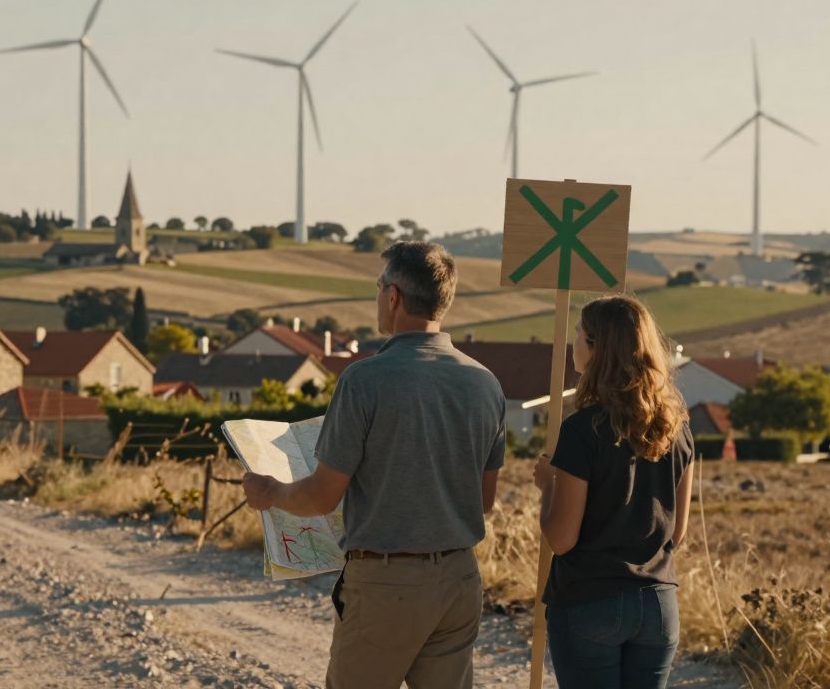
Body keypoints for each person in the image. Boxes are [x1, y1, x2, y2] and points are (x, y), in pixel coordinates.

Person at [243, 241, 506, 689]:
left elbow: (321, 496)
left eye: (379, 285)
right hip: (458, 579)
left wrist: (271, 494)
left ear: (394, 297)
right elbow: (483, 501)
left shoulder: (365, 380)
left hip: (386, 582)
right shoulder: (485, 384)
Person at [533, 295, 695, 689]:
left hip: (590, 602)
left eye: (578, 335)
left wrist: (548, 484)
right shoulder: (677, 428)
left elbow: (561, 539)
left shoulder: (582, 430)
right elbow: (677, 533)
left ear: (595, 347)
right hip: (658, 605)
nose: (573, 343)